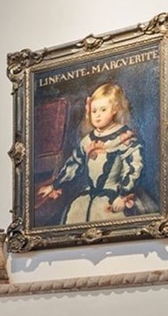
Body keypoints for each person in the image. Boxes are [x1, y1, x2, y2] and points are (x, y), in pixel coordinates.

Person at [37, 81, 153, 224]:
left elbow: (134, 169)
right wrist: (54, 185)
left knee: (109, 216)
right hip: (90, 194)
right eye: (94, 111)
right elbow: (74, 164)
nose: (97, 115)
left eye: (103, 110)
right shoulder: (87, 140)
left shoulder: (125, 139)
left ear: (115, 109)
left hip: (116, 194)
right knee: (76, 211)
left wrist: (122, 195)